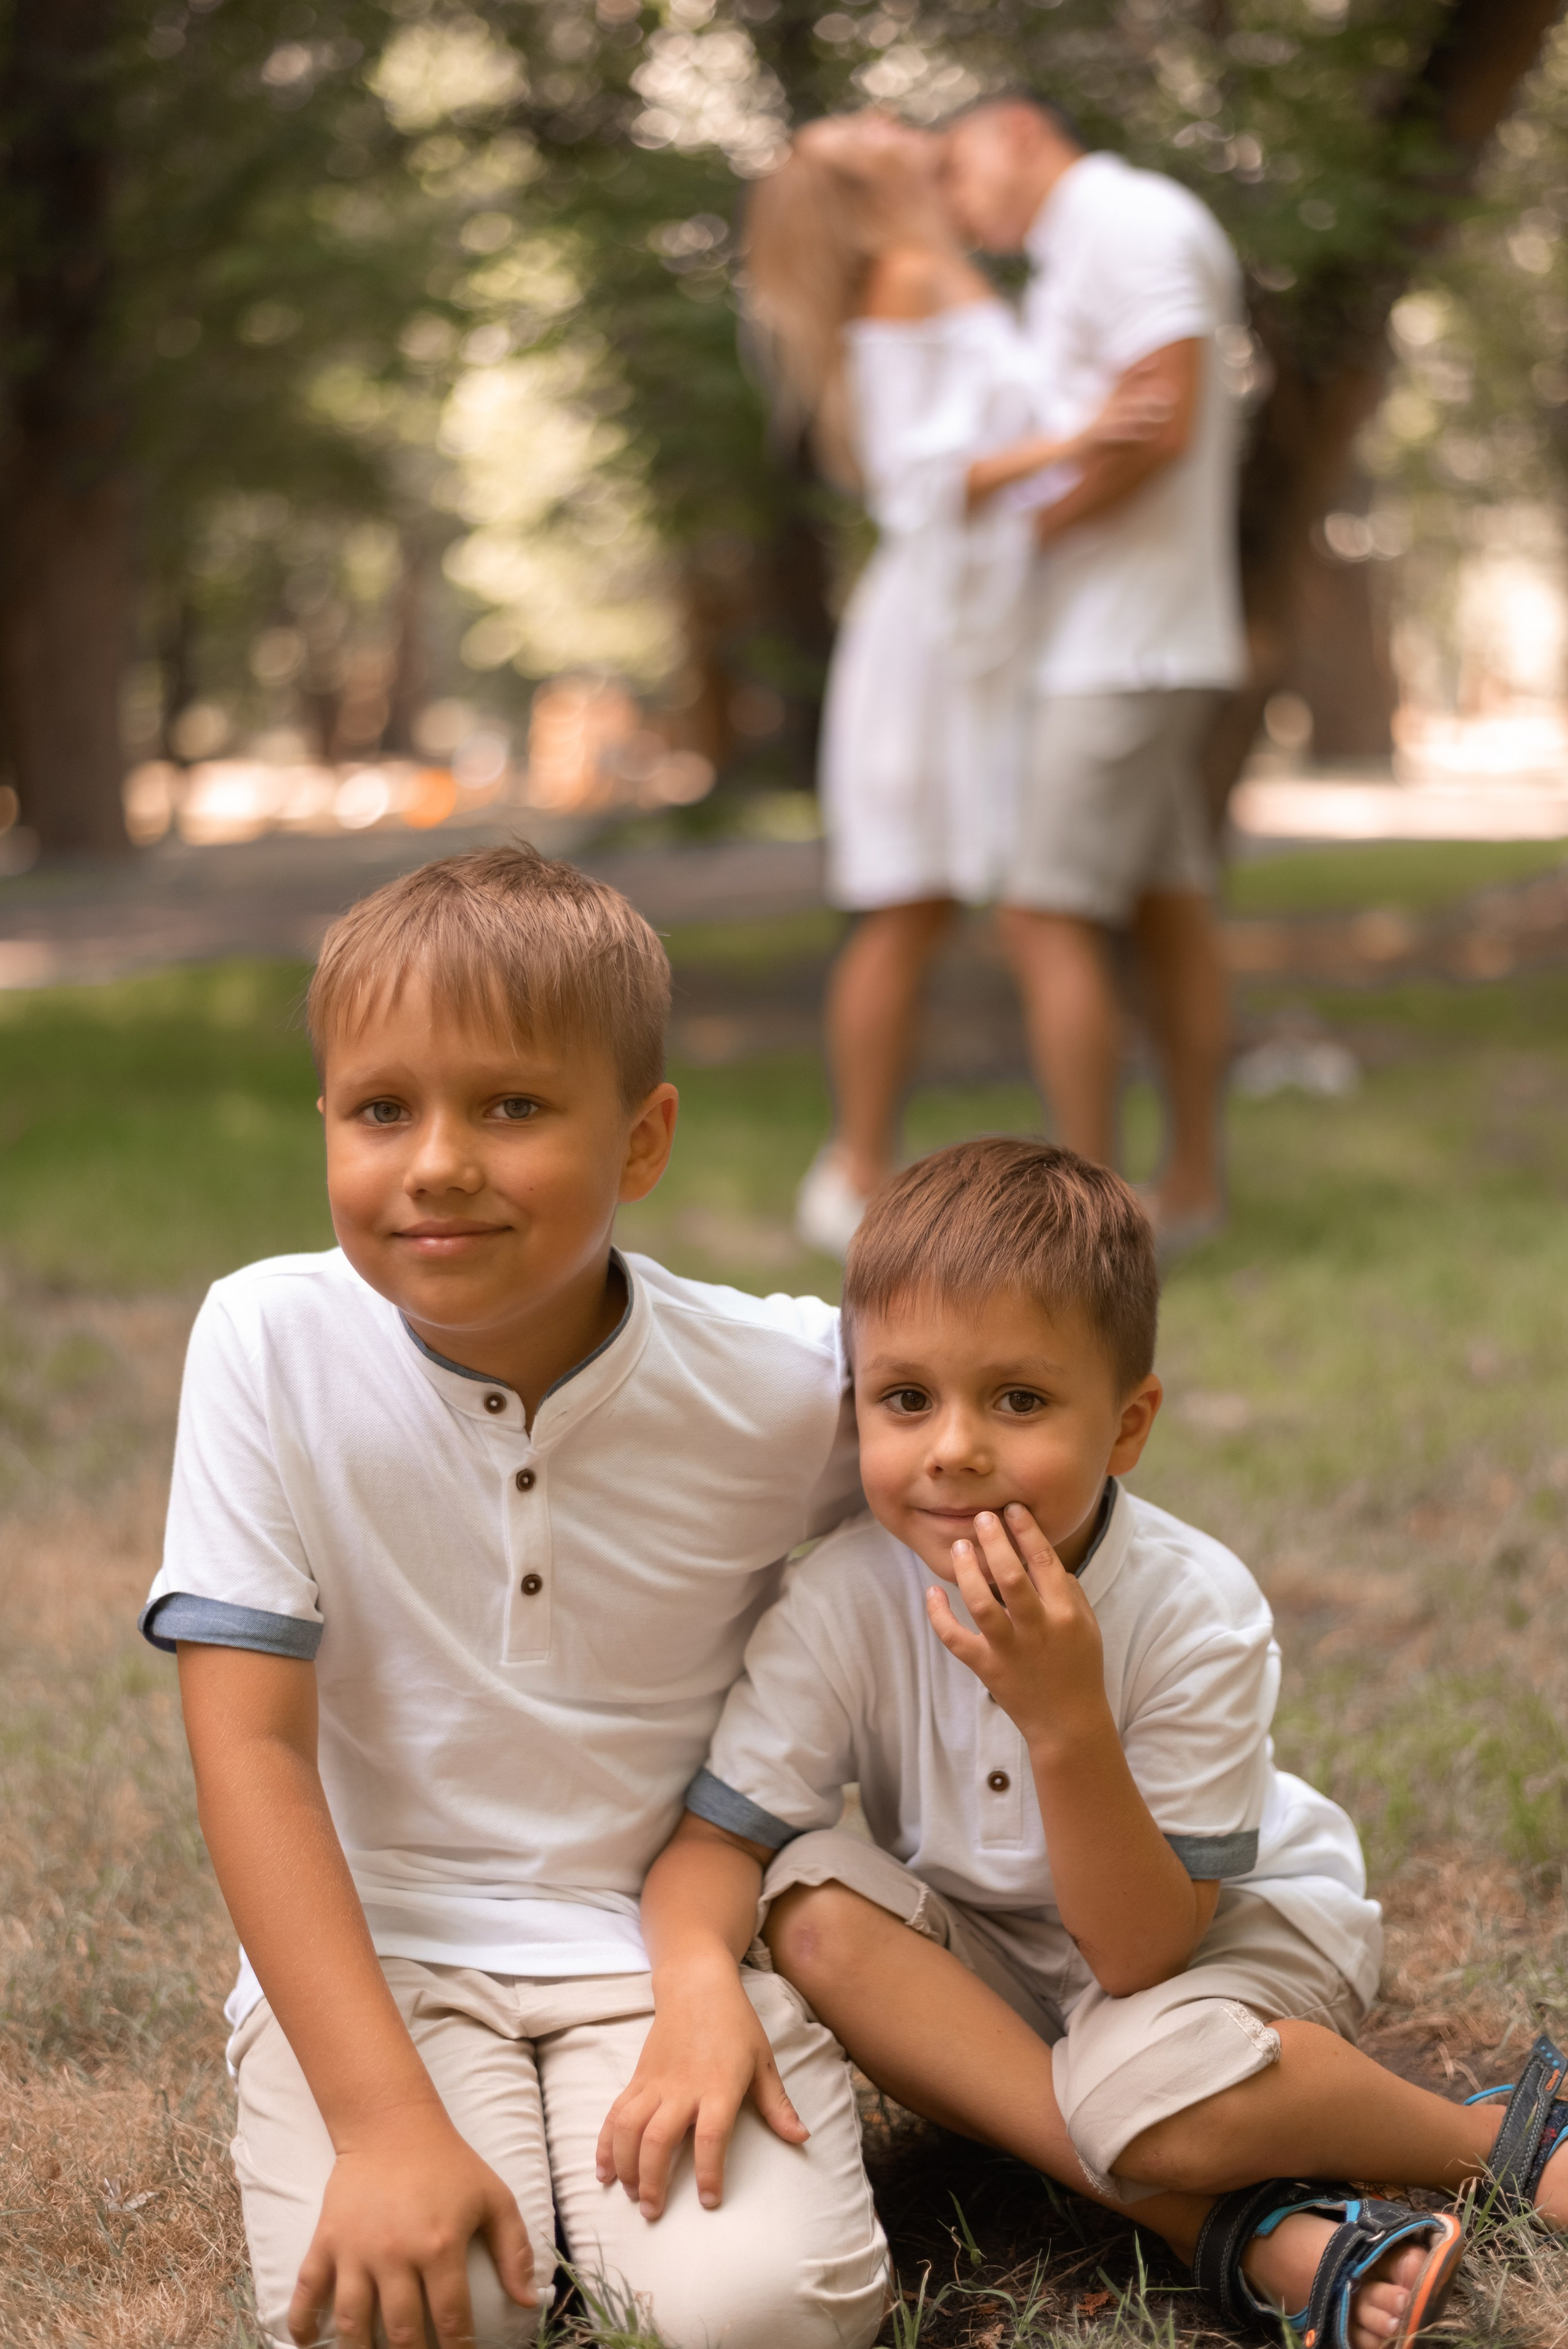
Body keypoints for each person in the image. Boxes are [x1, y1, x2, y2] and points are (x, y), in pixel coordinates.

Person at [605, 1138, 1568, 2347]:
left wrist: (1064, 1718)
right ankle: (1221, 2224)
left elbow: (1141, 1951)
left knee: (1141, 2081)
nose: (953, 1447)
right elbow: (717, 1847)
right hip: (1005, 1954)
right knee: (804, 1903)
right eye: (906, 1398)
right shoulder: (845, 1595)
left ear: (1126, 1424)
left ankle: (1494, 2136)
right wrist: (696, 1979)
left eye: (1018, 1399)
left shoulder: (1193, 1609)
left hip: (1220, 1938)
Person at [138, 845, 891, 2349]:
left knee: (766, 2316)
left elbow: (1019, 1451)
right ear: (327, 1123)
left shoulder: (780, 1384)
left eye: (512, 1107)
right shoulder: (267, 1341)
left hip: (664, 1956)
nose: (437, 1162)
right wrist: (382, 2126)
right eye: (382, 1109)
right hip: (383, 1954)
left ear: (642, 1139)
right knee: (421, 2320)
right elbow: (252, 1751)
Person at [744, 111, 1166, 1259]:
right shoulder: (909, 276)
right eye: (868, 128)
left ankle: (1054, 1193)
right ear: (869, 181)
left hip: (982, 623)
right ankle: (857, 1166)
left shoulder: (939, 268)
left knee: (976, 904)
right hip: (932, 640)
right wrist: (1080, 440)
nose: (897, 121)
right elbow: (918, 481)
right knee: (912, 901)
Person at [943, 98, 1247, 1248]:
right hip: (1126, 636)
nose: (955, 204)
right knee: (1167, 911)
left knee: (1041, 913)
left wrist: (1030, 530)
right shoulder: (1082, 244)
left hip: (1126, 642)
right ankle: (1190, 1195)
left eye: (959, 169)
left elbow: (1163, 422)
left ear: (1019, 131)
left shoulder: (1128, 219)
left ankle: (1089, 1233)